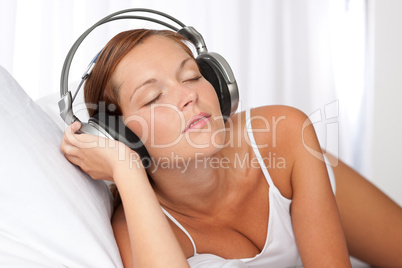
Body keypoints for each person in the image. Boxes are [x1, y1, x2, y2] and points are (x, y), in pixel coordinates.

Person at [61, 29, 402, 268]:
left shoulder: (286, 132)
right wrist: (126, 169)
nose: (188, 95)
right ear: (120, 135)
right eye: (153, 98)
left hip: (290, 173)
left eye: (192, 76)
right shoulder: (134, 228)